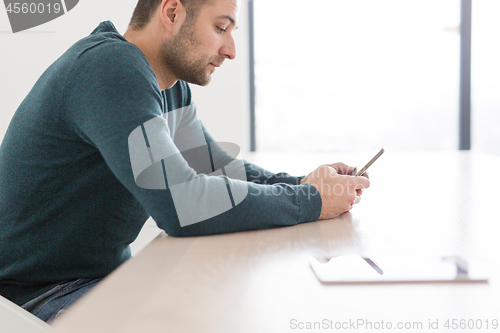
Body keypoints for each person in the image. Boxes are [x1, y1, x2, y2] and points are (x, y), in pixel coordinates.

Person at [0, 0, 370, 323]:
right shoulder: (110, 68)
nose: (231, 50)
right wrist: (313, 201)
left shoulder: (169, 89)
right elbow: (182, 205)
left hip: (101, 281)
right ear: (172, 11)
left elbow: (220, 168)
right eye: (220, 27)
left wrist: (304, 183)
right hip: (39, 298)